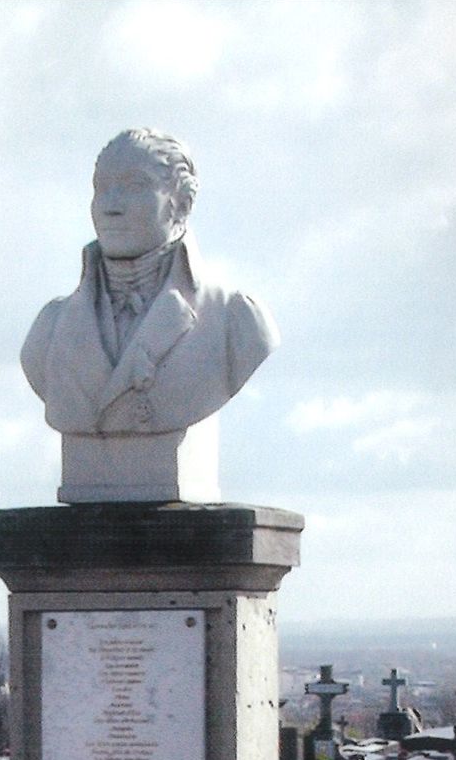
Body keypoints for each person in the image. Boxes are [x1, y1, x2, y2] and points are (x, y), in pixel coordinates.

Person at [21, 129, 278, 497]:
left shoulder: (236, 324)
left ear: (181, 203)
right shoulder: (50, 330)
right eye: (102, 188)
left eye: (134, 186)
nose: (111, 205)